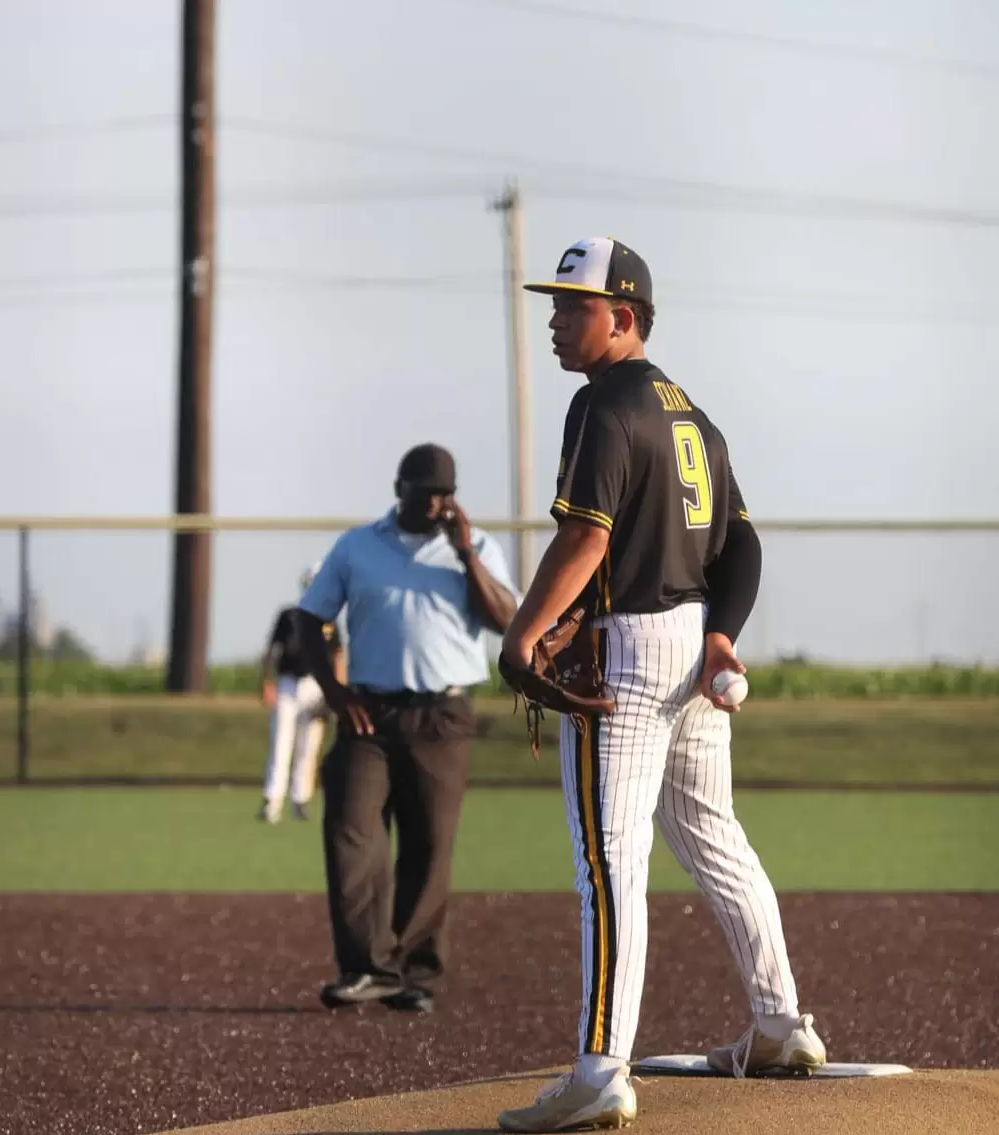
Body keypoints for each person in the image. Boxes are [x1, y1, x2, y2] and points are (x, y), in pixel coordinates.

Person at [496, 238, 825, 1132]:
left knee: (610, 862)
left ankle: (601, 1067)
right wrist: (719, 636)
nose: (557, 320)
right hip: (689, 645)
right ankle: (781, 1023)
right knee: (715, 836)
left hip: (629, 654)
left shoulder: (603, 403)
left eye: (574, 305)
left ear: (623, 317)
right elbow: (742, 542)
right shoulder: (694, 417)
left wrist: (523, 634)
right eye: (556, 304)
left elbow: (587, 537)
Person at [291, 443, 520, 1015]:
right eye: (425, 494)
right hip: (369, 713)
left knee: (429, 843)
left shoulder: (477, 546)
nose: (436, 504)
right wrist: (336, 692)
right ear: (400, 490)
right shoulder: (357, 545)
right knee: (352, 833)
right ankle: (367, 967)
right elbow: (309, 617)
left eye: (445, 494)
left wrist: (465, 554)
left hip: (442, 715)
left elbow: (506, 619)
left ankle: (414, 971)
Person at [256, 561, 345, 823]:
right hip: (287, 683)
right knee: (281, 742)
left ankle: (300, 799)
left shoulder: (329, 621)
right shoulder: (289, 615)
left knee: (309, 746)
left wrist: (337, 692)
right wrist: (266, 682)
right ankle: (272, 800)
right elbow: (272, 650)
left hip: (316, 687)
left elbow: (338, 656)